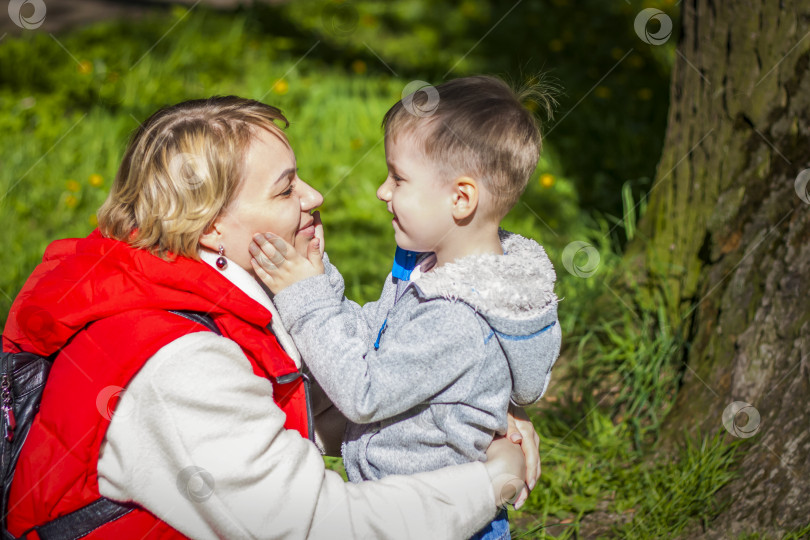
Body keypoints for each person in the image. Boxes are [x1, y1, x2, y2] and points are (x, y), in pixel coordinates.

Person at [1, 96, 540, 539]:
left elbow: (299, 404)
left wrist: (463, 410)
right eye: (285, 188)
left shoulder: (202, 290)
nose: (315, 196)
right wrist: (488, 482)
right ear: (212, 227)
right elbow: (323, 528)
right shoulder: (181, 366)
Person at [249, 76, 562, 540]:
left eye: (398, 178)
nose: (382, 191)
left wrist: (306, 298)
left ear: (460, 198)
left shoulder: (457, 318)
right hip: (407, 508)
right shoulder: (429, 273)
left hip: (443, 520)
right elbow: (370, 341)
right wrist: (315, 279)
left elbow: (364, 391)